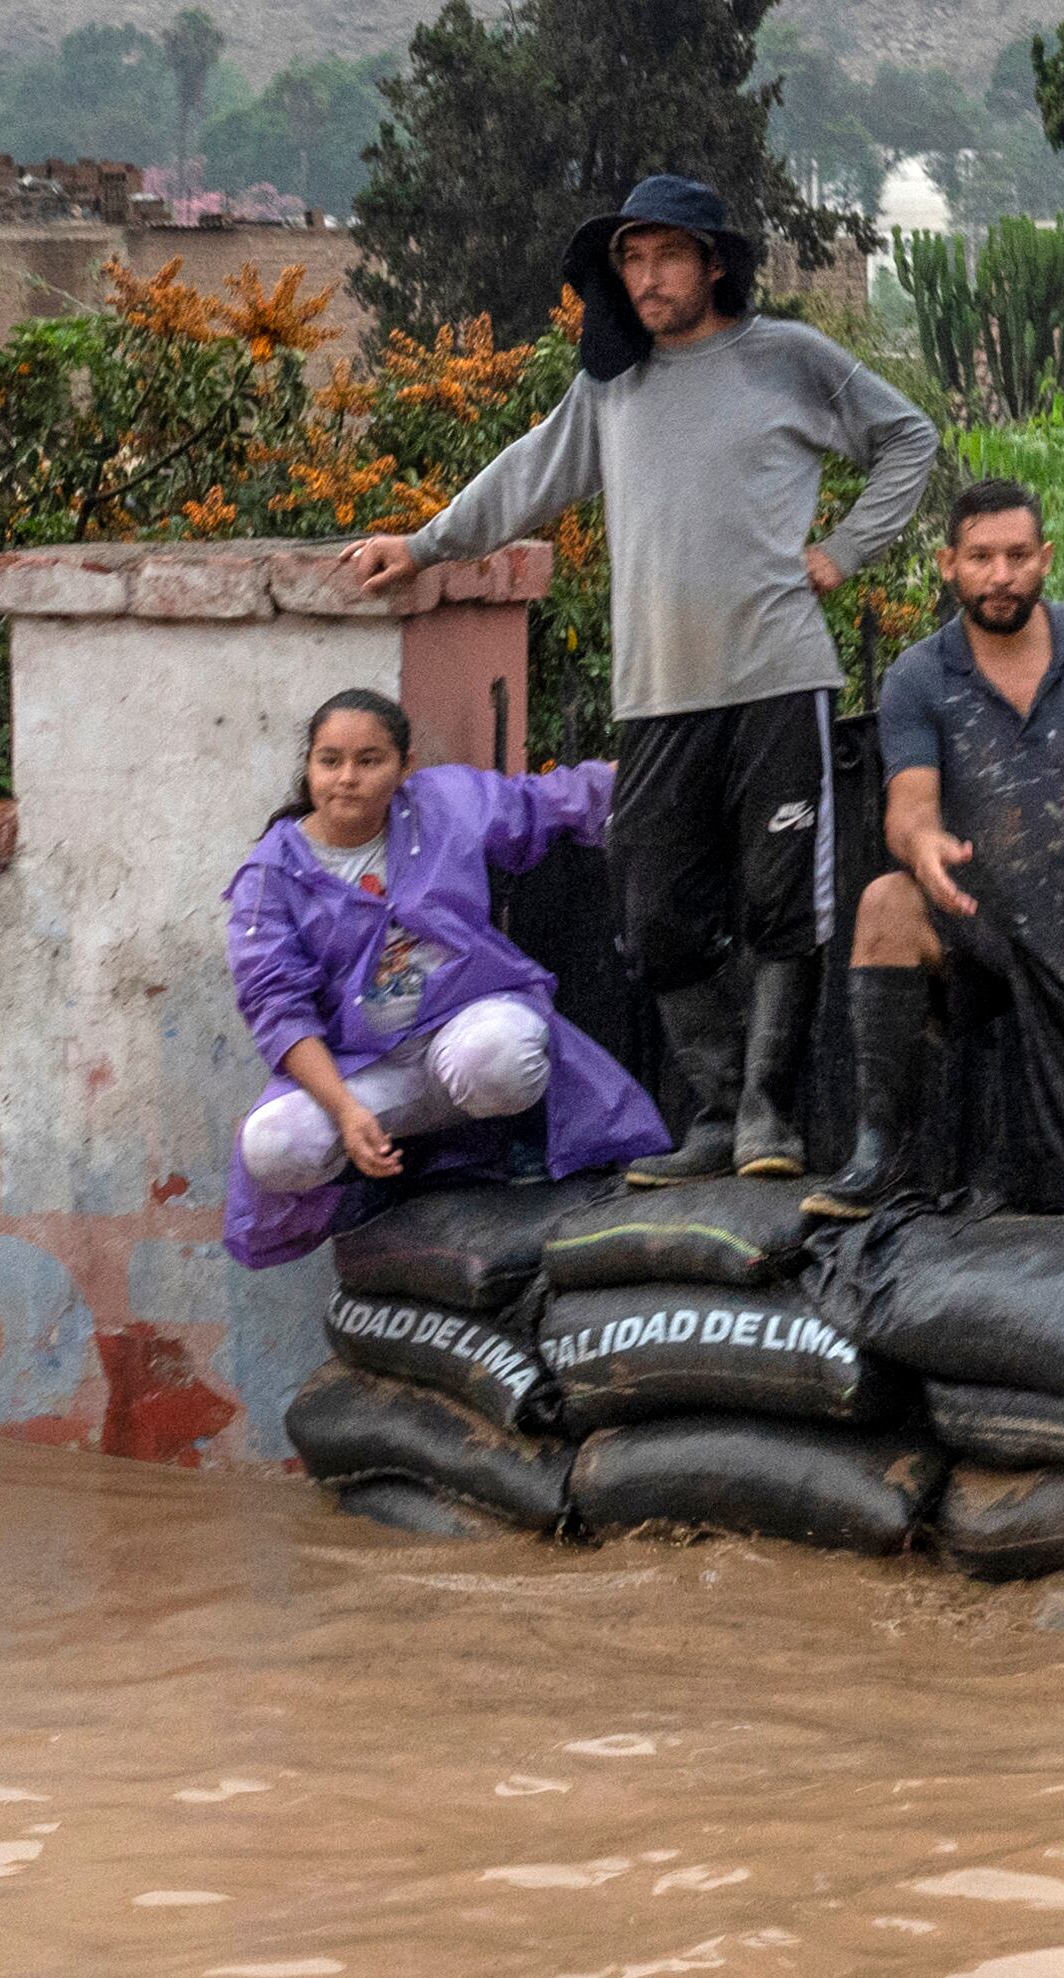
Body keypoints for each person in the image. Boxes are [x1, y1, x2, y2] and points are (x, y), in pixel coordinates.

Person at [345, 175, 939, 1188]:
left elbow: (909, 439)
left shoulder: (785, 358)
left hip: (775, 676)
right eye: (631, 258)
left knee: (781, 903)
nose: (647, 276)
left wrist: (842, 551)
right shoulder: (611, 389)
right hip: (658, 691)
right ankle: (711, 1113)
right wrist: (429, 542)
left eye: (666, 255)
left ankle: (766, 1117)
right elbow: (531, 473)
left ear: (714, 262)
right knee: (654, 909)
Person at [804, 481, 1064, 1224]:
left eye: (1017, 555)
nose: (1001, 574)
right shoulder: (919, 675)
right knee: (885, 903)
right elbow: (907, 807)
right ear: (949, 565)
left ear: (1045, 559)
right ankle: (881, 1153)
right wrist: (924, 847)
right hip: (974, 919)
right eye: (981, 557)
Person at [221, 689, 667, 1271]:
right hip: (364, 1071)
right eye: (329, 761)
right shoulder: (271, 876)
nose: (347, 779)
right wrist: (347, 1112)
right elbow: (277, 1009)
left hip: (464, 1031)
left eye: (369, 760)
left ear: (406, 767)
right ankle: (395, 1163)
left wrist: (660, 762)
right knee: (272, 1145)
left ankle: (493, 1139)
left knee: (500, 1057)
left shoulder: (444, 804)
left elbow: (541, 800)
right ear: (308, 768)